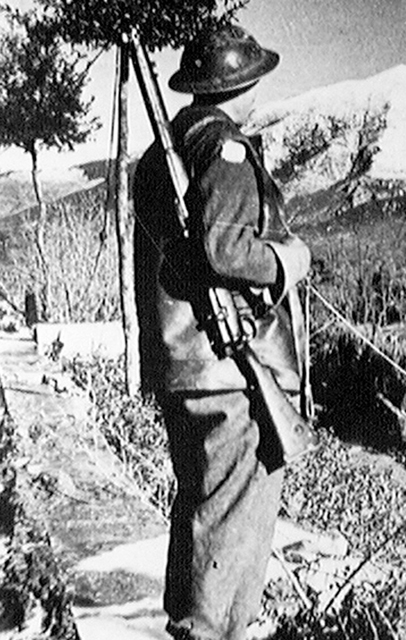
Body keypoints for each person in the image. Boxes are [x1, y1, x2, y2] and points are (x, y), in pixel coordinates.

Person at [133, 23, 311, 640]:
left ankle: (198, 626)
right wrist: (289, 260)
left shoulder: (167, 149)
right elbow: (225, 246)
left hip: (186, 363)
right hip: (225, 368)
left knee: (205, 513)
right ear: (244, 85)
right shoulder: (223, 146)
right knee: (231, 525)